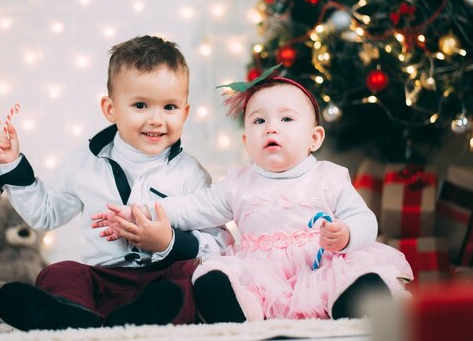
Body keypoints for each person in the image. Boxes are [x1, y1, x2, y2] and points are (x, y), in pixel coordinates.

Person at [93, 68, 413, 322]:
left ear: (314, 138)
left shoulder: (329, 177)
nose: (271, 128)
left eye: (286, 119)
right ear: (247, 141)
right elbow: (192, 207)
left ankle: (354, 299)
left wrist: (346, 234)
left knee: (350, 274)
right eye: (260, 120)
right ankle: (233, 307)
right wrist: (140, 210)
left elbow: (364, 219)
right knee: (219, 273)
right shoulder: (238, 183)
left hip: (320, 267)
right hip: (264, 273)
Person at [0, 35, 231, 331]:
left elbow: (219, 245)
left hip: (160, 284)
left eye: (170, 107)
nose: (156, 119)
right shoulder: (83, 163)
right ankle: (73, 316)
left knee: (187, 277)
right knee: (59, 272)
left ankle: (142, 320)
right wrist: (12, 165)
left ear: (185, 112)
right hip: (104, 280)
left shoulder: (190, 173)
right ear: (110, 109)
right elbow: (45, 213)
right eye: (141, 105)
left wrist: (168, 242)